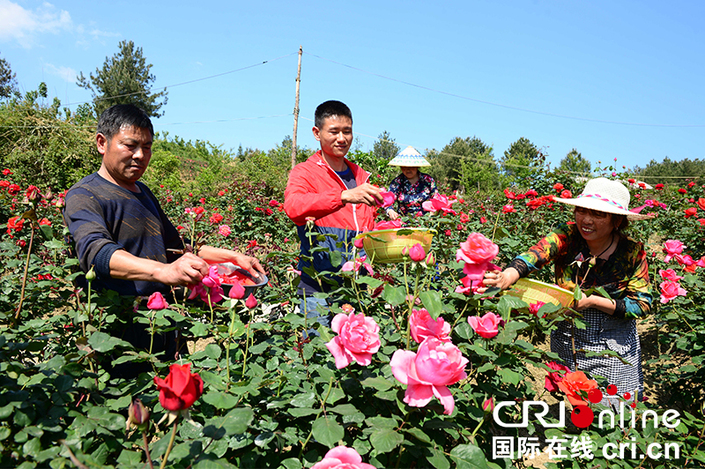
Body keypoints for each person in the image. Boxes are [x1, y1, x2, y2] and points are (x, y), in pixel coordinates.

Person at [63, 104, 264, 372]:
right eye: (130, 145)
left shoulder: (143, 193)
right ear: (102, 143)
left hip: (160, 322)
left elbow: (177, 249)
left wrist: (232, 257)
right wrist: (164, 271)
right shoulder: (85, 195)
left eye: (147, 147)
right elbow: (97, 254)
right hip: (115, 331)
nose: (140, 155)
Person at [482, 178, 653, 401]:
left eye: (599, 214)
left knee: (614, 406)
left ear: (617, 221)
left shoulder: (631, 252)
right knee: (577, 401)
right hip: (568, 332)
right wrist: (508, 275)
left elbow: (642, 305)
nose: (587, 220)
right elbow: (536, 254)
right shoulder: (567, 236)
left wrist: (592, 301)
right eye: (581, 210)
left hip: (613, 341)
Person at [284, 100, 381, 329]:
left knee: (354, 354)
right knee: (319, 351)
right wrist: (343, 197)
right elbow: (293, 205)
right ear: (317, 133)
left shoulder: (361, 176)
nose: (342, 138)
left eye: (347, 132)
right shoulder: (305, 172)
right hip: (316, 285)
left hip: (354, 287)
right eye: (334, 132)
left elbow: (368, 228)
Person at [385, 146, 437, 220]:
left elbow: (436, 198)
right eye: (404, 167)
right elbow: (388, 201)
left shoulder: (428, 180)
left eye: (411, 167)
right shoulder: (397, 182)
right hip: (403, 222)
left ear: (417, 166)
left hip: (425, 222)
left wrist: (432, 214)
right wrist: (390, 211)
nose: (408, 170)